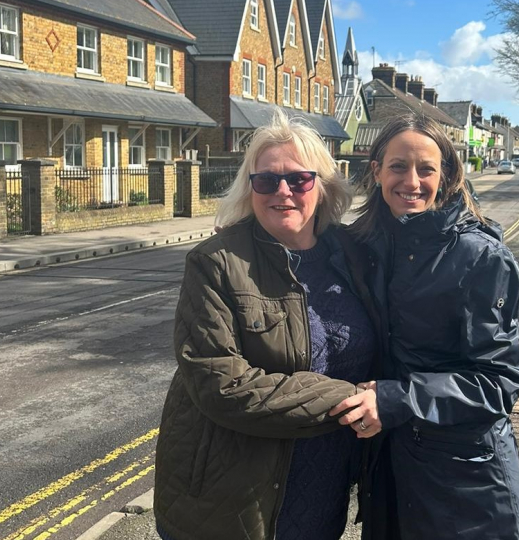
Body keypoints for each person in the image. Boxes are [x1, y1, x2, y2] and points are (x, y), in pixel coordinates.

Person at [154, 111, 379, 540]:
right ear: (250, 187)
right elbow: (221, 385)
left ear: (324, 186)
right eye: (266, 181)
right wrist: (353, 400)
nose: (282, 192)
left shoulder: (353, 255)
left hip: (323, 489)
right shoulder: (216, 263)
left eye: (298, 180)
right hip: (232, 500)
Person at [331, 113, 519, 539]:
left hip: (468, 486)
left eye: (426, 169)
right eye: (399, 166)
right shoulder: (366, 245)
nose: (412, 181)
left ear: (445, 176)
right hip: (390, 473)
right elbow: (299, 241)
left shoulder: (480, 257)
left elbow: (501, 380)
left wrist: (398, 399)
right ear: (376, 171)